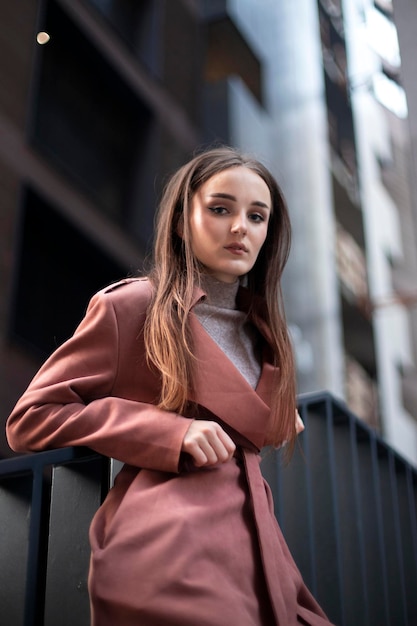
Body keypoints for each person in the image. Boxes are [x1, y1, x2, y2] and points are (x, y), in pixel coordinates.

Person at [6, 146, 333, 625]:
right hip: (174, 548)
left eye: (257, 216)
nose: (241, 227)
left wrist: (274, 415)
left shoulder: (266, 337)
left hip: (265, 561)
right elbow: (30, 418)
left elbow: (245, 421)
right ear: (182, 221)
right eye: (220, 209)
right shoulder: (135, 306)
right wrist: (168, 432)